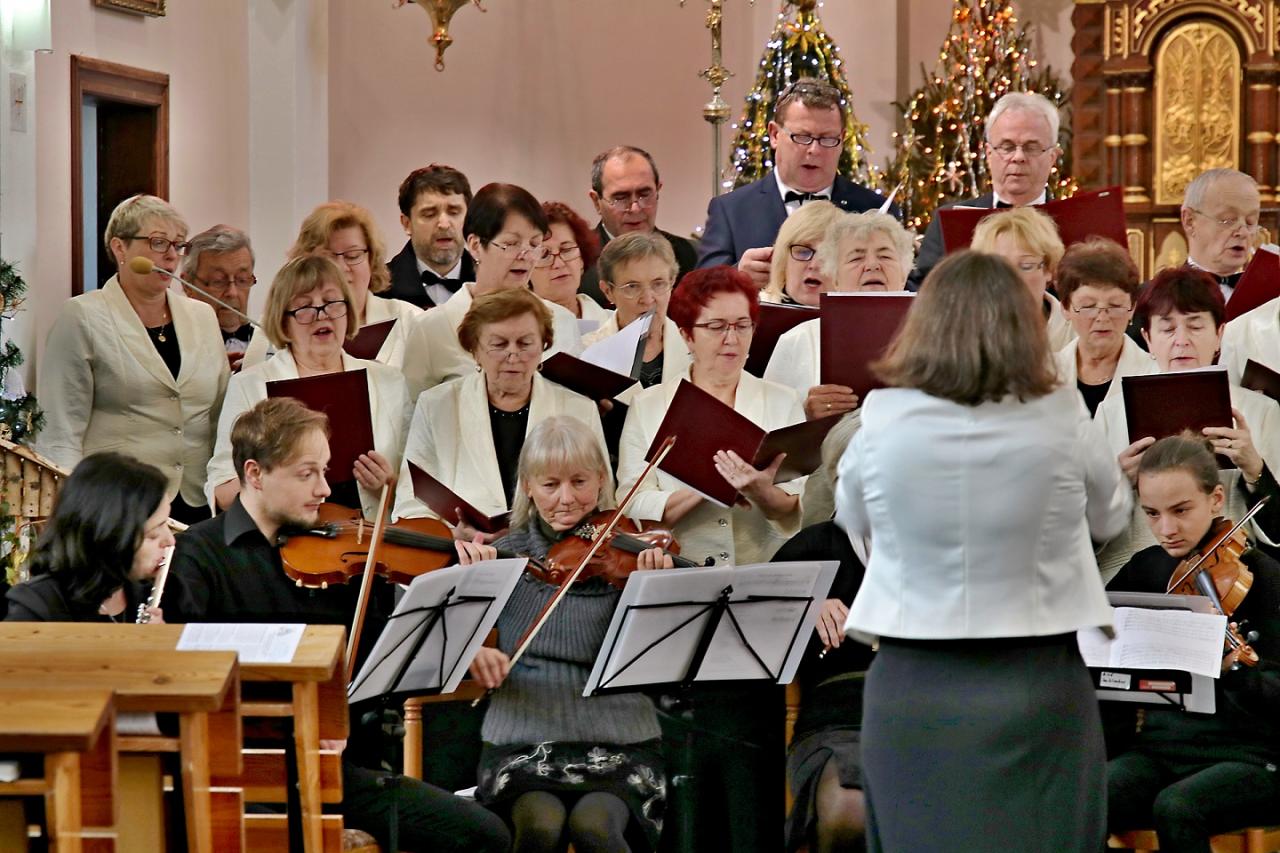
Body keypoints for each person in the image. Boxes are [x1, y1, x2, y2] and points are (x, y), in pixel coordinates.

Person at [835, 250, 1132, 853]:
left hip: (914, 679)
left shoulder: (883, 417)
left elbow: (852, 518)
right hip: (1034, 678)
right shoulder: (1062, 412)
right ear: (1024, 328)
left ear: (925, 325)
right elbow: (1112, 515)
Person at [164, 397, 511, 853]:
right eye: (306, 474)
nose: (325, 489)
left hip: (340, 766)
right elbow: (192, 682)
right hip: (245, 766)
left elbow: (383, 653)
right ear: (255, 473)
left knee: (487, 835)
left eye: (325, 471)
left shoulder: (340, 553)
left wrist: (454, 630)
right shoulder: (198, 556)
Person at [616, 265, 804, 853]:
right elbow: (630, 503)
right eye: (716, 327)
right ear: (686, 333)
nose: (731, 339)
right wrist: (704, 483)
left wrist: (762, 490)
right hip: (679, 596)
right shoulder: (651, 406)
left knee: (750, 761)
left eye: (742, 326)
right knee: (687, 765)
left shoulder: (779, 402)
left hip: (758, 598)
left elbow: (799, 509)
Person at [455, 415, 670, 852]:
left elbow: (661, 662)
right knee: (540, 824)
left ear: (601, 480)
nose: (567, 499)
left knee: (596, 827)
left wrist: (656, 593)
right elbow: (442, 641)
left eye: (579, 482)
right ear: (528, 486)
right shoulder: (503, 555)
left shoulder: (630, 554)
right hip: (521, 737)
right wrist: (471, 641)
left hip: (621, 737)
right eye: (551, 485)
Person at [1106, 433, 1280, 853]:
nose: (1166, 529)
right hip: (1160, 749)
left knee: (1178, 806)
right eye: (1152, 513)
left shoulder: (1265, 576)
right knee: (1087, 794)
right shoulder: (1145, 570)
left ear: (1216, 499)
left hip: (1250, 755)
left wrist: (1236, 670)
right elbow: (1104, 650)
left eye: (1181, 510)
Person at [37, 194, 229, 525]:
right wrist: (70, 516)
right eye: (158, 242)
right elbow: (60, 432)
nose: (171, 255)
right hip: (119, 505)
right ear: (120, 248)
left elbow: (219, 415)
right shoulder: (82, 317)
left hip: (198, 500)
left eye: (178, 245)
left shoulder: (203, 316)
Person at [1094, 267, 1280, 579]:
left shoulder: (1261, 411)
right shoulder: (1111, 413)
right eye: (1167, 329)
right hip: (1135, 574)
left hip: (1232, 578)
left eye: (1195, 326)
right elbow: (1079, 531)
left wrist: (1255, 470)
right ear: (1147, 338)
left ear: (1219, 334)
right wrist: (1117, 483)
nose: (1181, 341)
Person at [206, 255, 410, 518]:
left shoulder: (389, 381)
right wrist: (271, 483)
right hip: (283, 537)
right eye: (304, 307)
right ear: (283, 322)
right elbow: (221, 490)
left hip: (367, 534)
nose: (321, 315)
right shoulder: (250, 385)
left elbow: (416, 486)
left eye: (332, 303)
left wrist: (389, 486)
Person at [393, 288, 608, 531]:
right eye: (499, 344)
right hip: (463, 549)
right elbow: (412, 502)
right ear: (475, 350)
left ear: (543, 346)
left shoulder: (579, 409)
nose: (513, 356)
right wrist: (452, 537)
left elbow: (603, 501)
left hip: (555, 548)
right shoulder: (436, 405)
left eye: (525, 343)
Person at [775, 415, 870, 853]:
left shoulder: (939, 550)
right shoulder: (810, 549)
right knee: (848, 809)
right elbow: (755, 633)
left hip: (929, 712)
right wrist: (802, 607)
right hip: (838, 719)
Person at [697, 77, 896, 286]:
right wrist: (737, 276)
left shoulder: (876, 209)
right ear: (774, 135)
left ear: (842, 139)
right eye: (802, 137)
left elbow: (907, 290)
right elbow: (699, 293)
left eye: (828, 139)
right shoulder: (731, 210)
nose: (814, 150)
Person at [402, 183, 583, 397]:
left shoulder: (561, 321)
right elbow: (411, 410)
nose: (526, 256)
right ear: (475, 245)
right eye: (511, 243)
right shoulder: (431, 329)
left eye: (535, 244)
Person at [764, 210, 914, 421]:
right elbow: (768, 423)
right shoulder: (798, 339)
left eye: (885, 256)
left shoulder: (938, 337)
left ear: (904, 274)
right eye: (856, 258)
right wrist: (804, 414)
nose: (872, 265)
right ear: (834, 278)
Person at [241, 201, 423, 371]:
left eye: (352, 256)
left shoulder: (410, 319)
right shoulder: (279, 322)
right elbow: (254, 382)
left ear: (372, 259)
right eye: (327, 258)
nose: (341, 269)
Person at [909, 91, 1063, 288]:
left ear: (1052, 157)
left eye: (1031, 147)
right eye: (1007, 147)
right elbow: (926, 292)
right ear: (989, 154)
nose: (1018, 157)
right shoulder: (947, 222)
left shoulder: (1077, 222)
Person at [6, 452, 173, 623]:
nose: (170, 541)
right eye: (154, 533)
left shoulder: (159, 594)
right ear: (111, 535)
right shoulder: (37, 606)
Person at [579, 145, 698, 306]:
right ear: (596, 201)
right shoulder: (576, 265)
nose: (635, 208)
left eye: (644, 194)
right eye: (620, 198)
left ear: (658, 191)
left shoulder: (691, 256)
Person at [580, 232, 692, 399]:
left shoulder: (698, 348)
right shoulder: (585, 355)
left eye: (658, 284)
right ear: (608, 291)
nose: (647, 299)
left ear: (672, 282)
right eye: (632, 286)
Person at [1053, 237, 1154, 416]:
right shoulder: (1045, 376)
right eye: (1088, 306)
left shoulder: (1154, 375)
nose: (1102, 318)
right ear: (1065, 309)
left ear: (1132, 308)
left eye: (1115, 305)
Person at [969, 205, 1075, 350]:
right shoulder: (967, 332)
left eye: (1026, 266)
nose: (1013, 278)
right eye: (1001, 266)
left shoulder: (1077, 330)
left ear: (1048, 269)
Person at [387, 164, 475, 309]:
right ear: (407, 224)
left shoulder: (493, 285)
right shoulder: (379, 288)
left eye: (454, 212)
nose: (444, 224)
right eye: (429, 214)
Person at [181, 224, 257, 372]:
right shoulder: (173, 346)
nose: (232, 293)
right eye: (218, 281)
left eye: (242, 279)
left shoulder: (270, 345)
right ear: (187, 285)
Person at [529, 201, 611, 325]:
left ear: (582, 260)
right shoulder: (514, 330)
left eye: (566, 250)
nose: (559, 264)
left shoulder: (616, 323)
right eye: (544, 255)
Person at [759, 200, 842, 306]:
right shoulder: (747, 311)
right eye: (803, 252)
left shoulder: (859, 314)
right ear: (783, 260)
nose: (814, 265)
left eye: (827, 255)